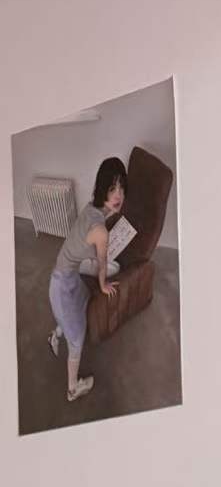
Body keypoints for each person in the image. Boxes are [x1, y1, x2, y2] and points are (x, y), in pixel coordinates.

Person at [47, 156, 126, 404]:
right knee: (77, 340)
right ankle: (72, 389)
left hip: (68, 275)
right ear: (102, 187)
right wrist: (103, 285)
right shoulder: (101, 232)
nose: (119, 195)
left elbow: (90, 234)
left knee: (81, 303)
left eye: (121, 187)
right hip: (61, 286)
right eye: (112, 188)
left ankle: (55, 334)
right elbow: (102, 265)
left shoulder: (91, 207)